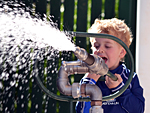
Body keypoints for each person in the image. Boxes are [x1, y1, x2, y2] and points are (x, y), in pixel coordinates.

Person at [75, 18, 145, 113]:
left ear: (122, 52)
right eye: (96, 45)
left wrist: (119, 89)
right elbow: (81, 111)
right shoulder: (89, 78)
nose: (100, 50)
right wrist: (89, 83)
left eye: (107, 46)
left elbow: (138, 110)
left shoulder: (130, 78)